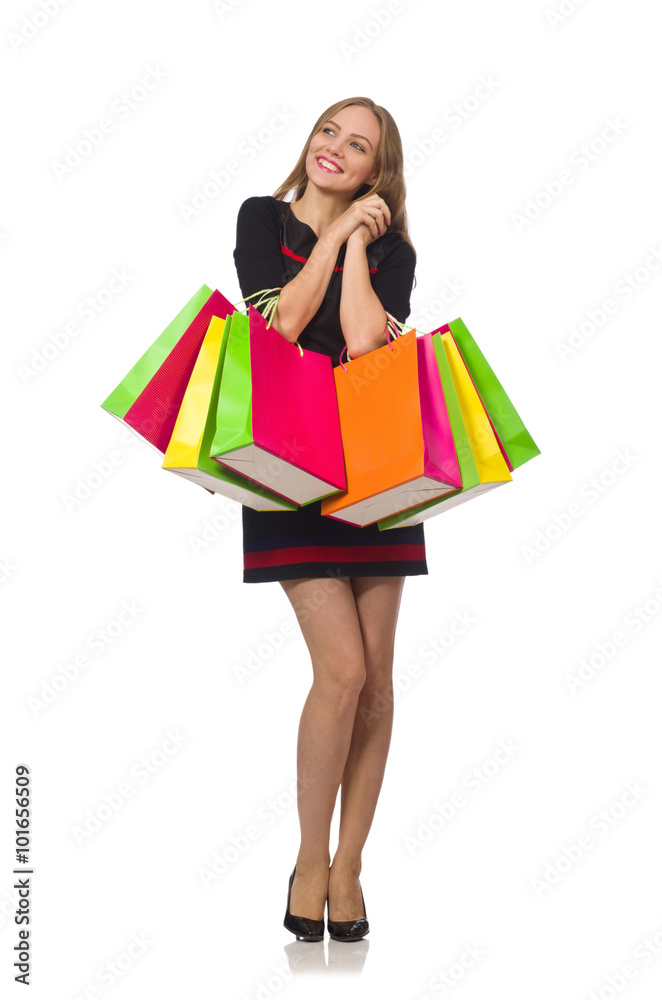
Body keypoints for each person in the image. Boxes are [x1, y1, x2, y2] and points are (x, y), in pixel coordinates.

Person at [233, 97, 428, 942]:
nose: (336, 150)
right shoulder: (262, 219)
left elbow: (361, 347)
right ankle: (309, 861)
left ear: (379, 173)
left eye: (359, 147)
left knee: (377, 681)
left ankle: (349, 868)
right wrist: (333, 234)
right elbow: (276, 326)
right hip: (288, 470)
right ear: (308, 139)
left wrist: (355, 241)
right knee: (341, 672)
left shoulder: (393, 251)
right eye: (328, 133)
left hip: (378, 474)